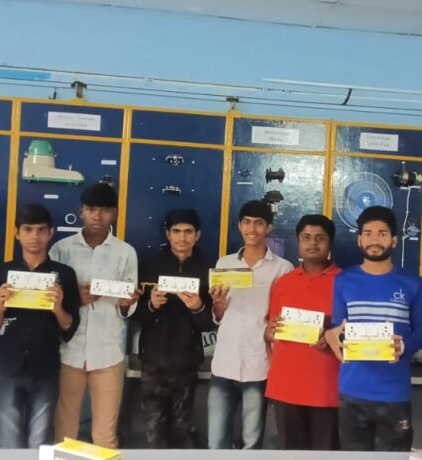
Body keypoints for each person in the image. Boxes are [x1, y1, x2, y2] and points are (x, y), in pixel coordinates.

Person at [324, 205, 422, 452]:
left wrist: (404, 345)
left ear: (394, 240)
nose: (374, 240)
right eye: (368, 234)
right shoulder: (343, 281)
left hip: (394, 393)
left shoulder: (412, 283)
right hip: (352, 391)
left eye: (382, 234)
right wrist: (331, 335)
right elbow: (338, 327)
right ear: (360, 240)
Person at [50, 183, 140, 448]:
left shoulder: (125, 252)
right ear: (81, 212)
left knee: (105, 436)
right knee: (64, 433)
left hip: (108, 353)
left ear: (114, 214)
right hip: (69, 351)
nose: (97, 216)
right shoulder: (61, 250)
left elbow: (127, 306)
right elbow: (49, 299)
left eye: (105, 210)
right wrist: (75, 299)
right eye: (91, 210)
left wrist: (126, 303)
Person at [0, 204, 81, 449]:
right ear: (16, 233)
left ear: (51, 233)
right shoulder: (2, 272)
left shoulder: (64, 274)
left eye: (41, 230)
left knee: (40, 444)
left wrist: (58, 307)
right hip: (8, 366)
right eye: (28, 229)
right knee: (9, 443)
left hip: (45, 368)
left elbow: (69, 328)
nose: (34, 236)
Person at [207, 200, 293, 450]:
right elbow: (218, 315)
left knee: (252, 443)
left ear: (269, 228)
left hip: (259, 365)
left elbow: (284, 317)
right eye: (246, 222)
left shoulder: (283, 268)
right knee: (216, 442)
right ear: (239, 226)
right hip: (224, 363)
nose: (252, 229)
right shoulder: (224, 264)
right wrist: (219, 305)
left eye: (258, 223)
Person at [133, 208, 216, 448]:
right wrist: (151, 304)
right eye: (177, 231)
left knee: (180, 435)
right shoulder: (149, 264)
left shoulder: (208, 268)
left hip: (187, 363)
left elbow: (209, 323)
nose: (182, 237)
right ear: (168, 234)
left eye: (188, 232)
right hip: (153, 363)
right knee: (154, 437)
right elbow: (134, 314)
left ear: (198, 235)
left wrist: (198, 307)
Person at [263, 214, 342, 450]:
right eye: (306, 237)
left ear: (330, 242)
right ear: (298, 241)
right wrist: (269, 331)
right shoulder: (283, 283)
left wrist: (330, 336)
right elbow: (272, 329)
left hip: (328, 389)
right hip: (286, 387)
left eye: (320, 238)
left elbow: (352, 331)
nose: (312, 243)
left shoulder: (346, 282)